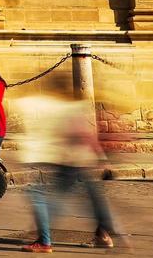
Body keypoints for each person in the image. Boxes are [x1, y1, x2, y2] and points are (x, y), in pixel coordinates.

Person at [19, 87, 118, 252]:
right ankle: (103, 234)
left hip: (69, 161)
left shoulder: (64, 108)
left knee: (43, 197)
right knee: (90, 197)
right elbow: (86, 134)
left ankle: (44, 241)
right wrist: (101, 158)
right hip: (76, 161)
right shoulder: (71, 108)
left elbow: (82, 134)